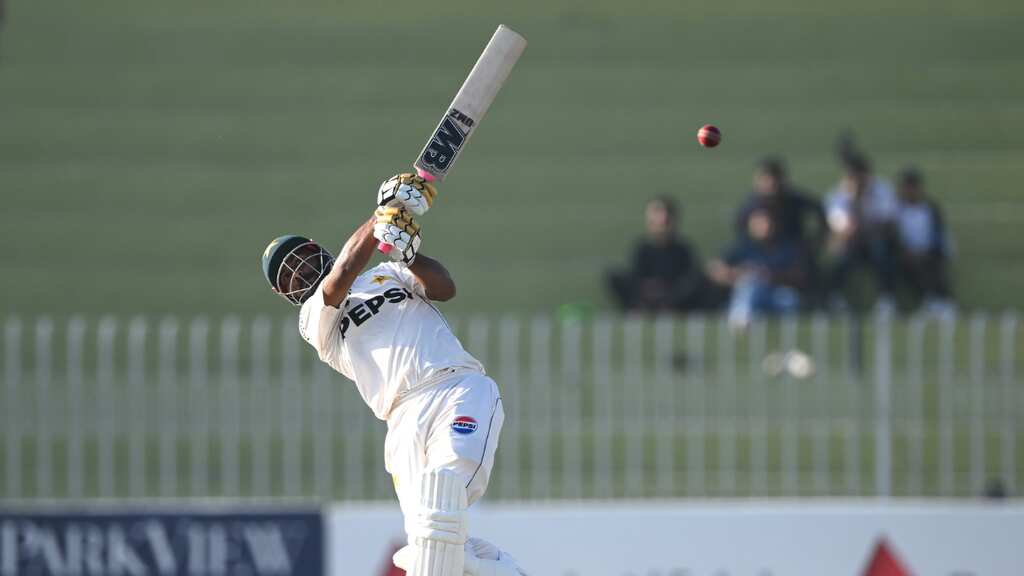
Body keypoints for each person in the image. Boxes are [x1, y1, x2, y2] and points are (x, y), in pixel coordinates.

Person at [261, 173, 526, 576]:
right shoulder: (314, 319)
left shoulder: (388, 273)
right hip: (401, 421)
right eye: (286, 278)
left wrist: (409, 255)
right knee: (427, 545)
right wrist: (381, 214)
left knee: (442, 504)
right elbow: (343, 271)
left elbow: (445, 288)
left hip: (454, 388)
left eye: (298, 261)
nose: (296, 274)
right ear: (285, 295)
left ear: (316, 249)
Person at [708, 208, 807, 328]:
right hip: (747, 292)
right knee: (750, 286)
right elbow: (715, 269)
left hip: (774, 292)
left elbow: (798, 275)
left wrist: (771, 275)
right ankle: (740, 321)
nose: (764, 227)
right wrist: (739, 274)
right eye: (759, 223)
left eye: (767, 223)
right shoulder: (742, 247)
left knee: (790, 300)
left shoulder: (785, 248)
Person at [824, 153, 899, 309]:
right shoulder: (837, 196)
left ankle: (887, 299)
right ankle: (835, 297)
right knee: (840, 254)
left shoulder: (883, 190)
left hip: (878, 240)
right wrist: (854, 202)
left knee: (881, 251)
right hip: (851, 243)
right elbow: (844, 228)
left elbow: (887, 222)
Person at [606, 196, 706, 312]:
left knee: (698, 281)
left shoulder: (683, 249)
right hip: (646, 295)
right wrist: (650, 288)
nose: (660, 224)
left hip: (673, 296)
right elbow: (635, 277)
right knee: (613, 276)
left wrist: (668, 290)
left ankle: (668, 308)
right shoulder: (642, 248)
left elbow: (689, 278)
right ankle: (639, 308)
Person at [894, 167, 953, 311]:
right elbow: (895, 235)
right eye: (906, 187)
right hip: (907, 252)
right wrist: (906, 249)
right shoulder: (897, 210)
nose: (909, 191)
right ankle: (928, 299)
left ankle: (943, 301)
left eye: (912, 187)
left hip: (931, 250)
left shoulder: (931, 208)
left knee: (933, 263)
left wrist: (927, 250)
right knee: (905, 263)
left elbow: (938, 234)